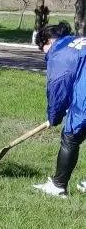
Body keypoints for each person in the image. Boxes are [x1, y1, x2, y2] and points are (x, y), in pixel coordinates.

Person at [33, 21, 86, 196]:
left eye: (42, 49)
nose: (45, 54)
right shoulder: (77, 43)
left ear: (48, 41)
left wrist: (54, 116)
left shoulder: (60, 53)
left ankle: (58, 186)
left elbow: (58, 87)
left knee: (70, 137)